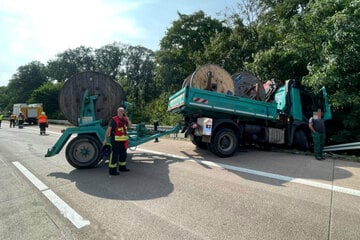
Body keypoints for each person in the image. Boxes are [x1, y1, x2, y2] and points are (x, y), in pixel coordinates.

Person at [103, 107, 132, 175]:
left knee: (123, 155)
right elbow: (108, 130)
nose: (121, 112)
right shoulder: (113, 120)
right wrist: (105, 139)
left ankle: (122, 168)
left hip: (123, 141)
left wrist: (127, 118)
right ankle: (112, 170)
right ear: (117, 112)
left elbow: (130, 126)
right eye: (120, 111)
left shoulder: (125, 119)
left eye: (122, 111)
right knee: (114, 155)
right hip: (115, 141)